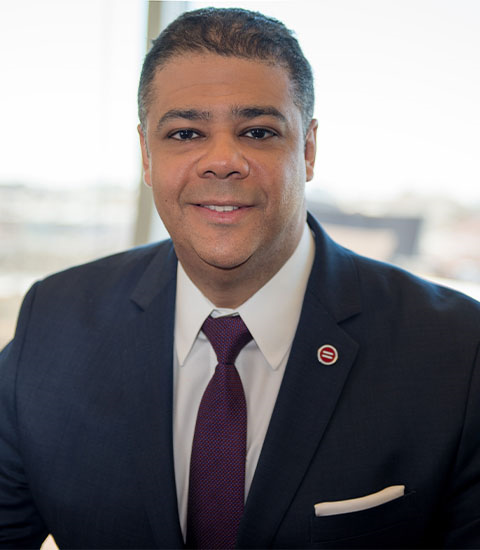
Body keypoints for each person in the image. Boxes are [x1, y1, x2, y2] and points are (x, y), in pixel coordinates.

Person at [1, 7, 479, 549]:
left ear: (309, 149)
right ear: (146, 155)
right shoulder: (52, 322)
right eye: (185, 132)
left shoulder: (458, 352)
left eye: (257, 131)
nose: (222, 161)